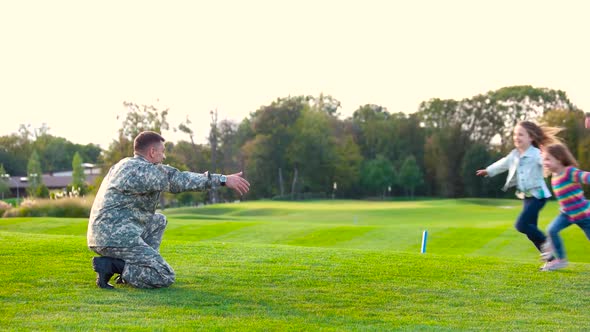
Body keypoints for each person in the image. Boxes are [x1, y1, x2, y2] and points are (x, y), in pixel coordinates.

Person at [87, 131, 250, 289]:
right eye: (162, 152)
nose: (164, 157)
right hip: (114, 236)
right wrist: (222, 180)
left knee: (158, 220)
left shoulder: (122, 165)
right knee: (163, 275)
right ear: (152, 152)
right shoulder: (144, 170)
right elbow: (179, 180)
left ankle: (135, 268)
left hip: (103, 233)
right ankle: (112, 266)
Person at [475, 121, 561, 263]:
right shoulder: (514, 154)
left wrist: (556, 167)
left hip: (538, 196)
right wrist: (488, 171)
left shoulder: (536, 154)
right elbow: (502, 163)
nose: (516, 137)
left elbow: (547, 161)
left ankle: (548, 243)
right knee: (530, 230)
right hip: (527, 197)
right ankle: (551, 260)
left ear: (531, 138)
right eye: (515, 134)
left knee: (521, 225)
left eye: (521, 134)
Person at [540, 143, 590, 271]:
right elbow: (564, 198)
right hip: (567, 214)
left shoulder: (569, 172)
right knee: (552, 230)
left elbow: (585, 177)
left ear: (559, 159)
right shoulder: (554, 177)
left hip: (584, 215)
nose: (544, 162)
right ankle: (561, 260)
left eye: (547, 159)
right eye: (544, 159)